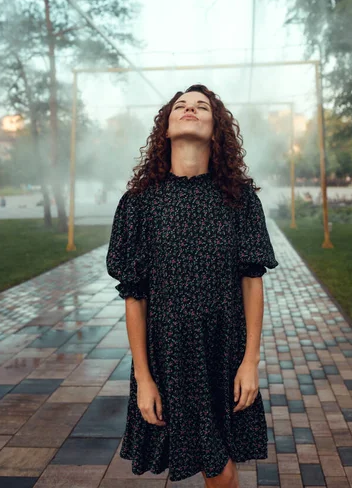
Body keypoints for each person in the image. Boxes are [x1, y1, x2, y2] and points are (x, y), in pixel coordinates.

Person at [106, 84, 279, 486]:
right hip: (169, 354)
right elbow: (135, 296)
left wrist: (250, 360)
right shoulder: (139, 203)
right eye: (181, 106)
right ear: (164, 130)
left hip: (224, 348)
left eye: (202, 107)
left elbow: (252, 282)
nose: (190, 109)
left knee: (216, 461)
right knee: (213, 462)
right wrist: (144, 378)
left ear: (216, 129)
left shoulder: (240, 200)